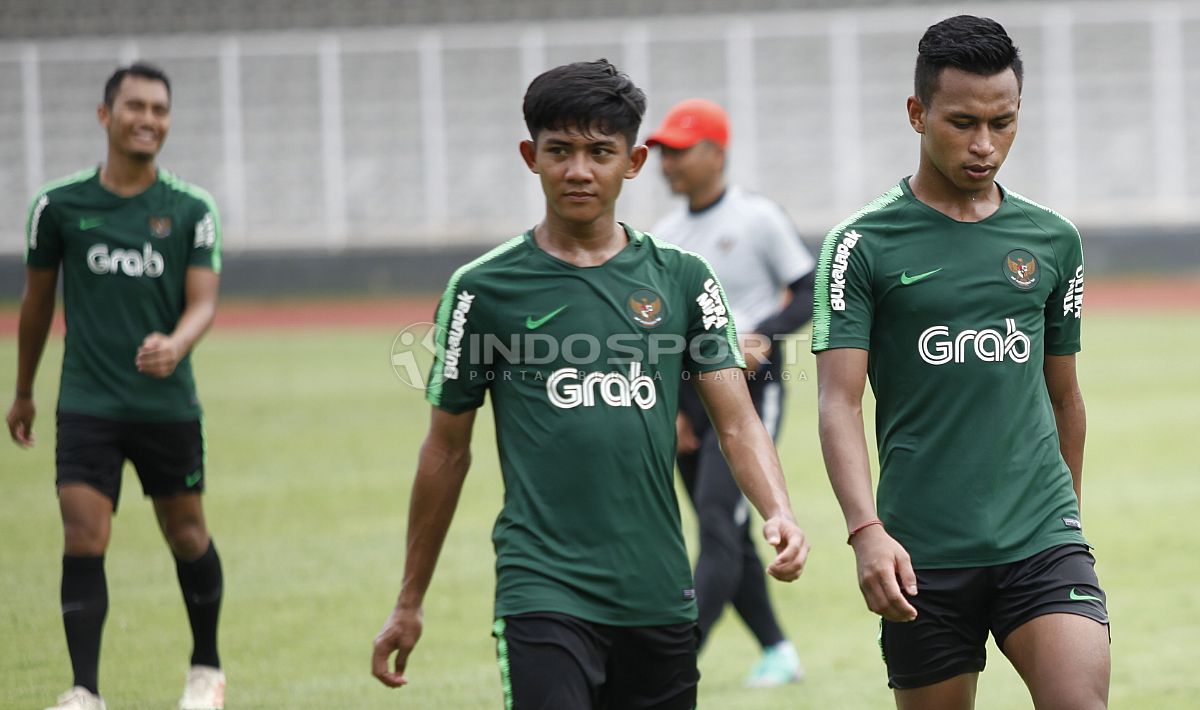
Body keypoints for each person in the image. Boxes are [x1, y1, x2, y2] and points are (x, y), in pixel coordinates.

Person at [371, 59, 811, 709]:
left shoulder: (682, 277)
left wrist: (778, 509)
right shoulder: (483, 288)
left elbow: (738, 419)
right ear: (531, 155)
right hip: (543, 591)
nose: (579, 170)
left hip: (658, 592)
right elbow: (445, 449)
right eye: (561, 150)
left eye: (600, 152)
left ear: (632, 164)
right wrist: (409, 601)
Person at [813, 15, 1108, 710]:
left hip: (1041, 537)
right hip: (921, 553)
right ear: (917, 113)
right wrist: (866, 532)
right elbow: (837, 402)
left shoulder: (1052, 240)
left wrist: (1066, 519)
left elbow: (1065, 396)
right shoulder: (861, 245)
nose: (984, 145)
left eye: (1002, 123)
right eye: (962, 122)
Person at [7, 63, 226, 710]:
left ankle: (206, 671)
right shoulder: (58, 207)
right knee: (83, 536)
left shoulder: (191, 209)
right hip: (87, 402)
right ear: (106, 116)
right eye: (135, 107)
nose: (148, 119)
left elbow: (204, 303)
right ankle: (84, 691)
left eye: (160, 109)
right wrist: (23, 391)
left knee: (187, 534)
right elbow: (36, 305)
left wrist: (176, 343)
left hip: (165, 405)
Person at [647, 98, 815, 687]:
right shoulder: (664, 235)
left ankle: (675, 655)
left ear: (716, 152)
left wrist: (762, 337)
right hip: (688, 397)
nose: (666, 163)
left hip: (751, 391)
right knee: (728, 530)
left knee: (720, 519)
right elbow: (660, 331)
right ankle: (777, 650)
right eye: (662, 152)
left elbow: (810, 287)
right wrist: (671, 409)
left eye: (679, 150)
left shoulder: (756, 217)